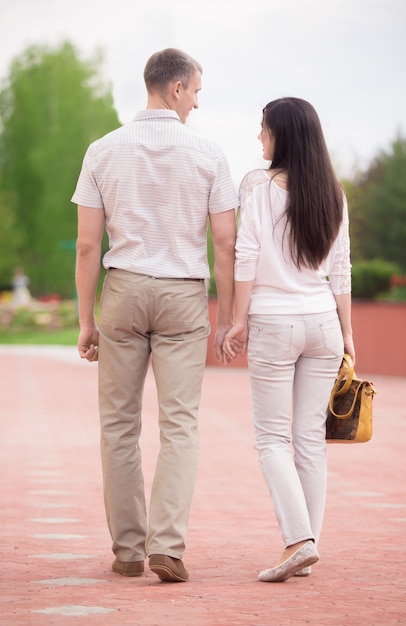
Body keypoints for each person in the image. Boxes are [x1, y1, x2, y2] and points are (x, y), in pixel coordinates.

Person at [72, 48, 237, 583]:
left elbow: (86, 246)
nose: (195, 103)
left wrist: (85, 321)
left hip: (122, 290)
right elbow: (226, 243)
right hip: (182, 295)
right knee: (180, 424)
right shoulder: (209, 155)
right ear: (174, 88)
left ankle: (126, 549)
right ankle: (167, 544)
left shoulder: (102, 150)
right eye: (194, 92)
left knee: (118, 425)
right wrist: (230, 315)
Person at [223, 97, 355, 582]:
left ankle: (299, 541)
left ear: (284, 135)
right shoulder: (333, 193)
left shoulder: (259, 188)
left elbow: (245, 258)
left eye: (264, 129)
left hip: (275, 324)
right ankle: (307, 546)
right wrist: (348, 334)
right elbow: (340, 270)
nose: (259, 137)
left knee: (272, 439)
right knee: (309, 443)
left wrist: (238, 320)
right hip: (323, 323)